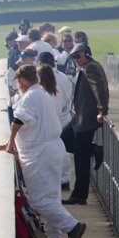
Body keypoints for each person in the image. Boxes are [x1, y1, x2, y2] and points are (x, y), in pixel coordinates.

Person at [6, 64, 86, 238]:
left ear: (21, 81)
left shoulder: (30, 97)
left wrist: (10, 143)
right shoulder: (42, 93)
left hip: (39, 152)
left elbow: (19, 120)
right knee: (52, 196)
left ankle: (72, 226)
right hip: (53, 148)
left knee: (38, 199)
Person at [65, 43, 109, 206]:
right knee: (64, 139)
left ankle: (79, 195)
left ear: (87, 54)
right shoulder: (87, 66)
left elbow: (100, 89)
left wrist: (102, 110)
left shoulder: (91, 67)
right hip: (80, 117)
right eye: (74, 57)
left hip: (86, 119)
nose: (76, 59)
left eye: (78, 56)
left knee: (81, 158)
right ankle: (94, 149)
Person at [38, 52, 73, 191]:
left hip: (51, 118)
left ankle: (53, 180)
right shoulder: (63, 76)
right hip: (65, 115)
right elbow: (69, 95)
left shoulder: (41, 76)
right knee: (63, 151)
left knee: (49, 150)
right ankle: (64, 180)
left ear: (40, 63)